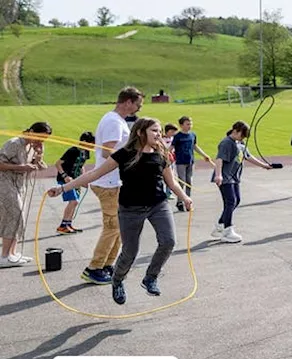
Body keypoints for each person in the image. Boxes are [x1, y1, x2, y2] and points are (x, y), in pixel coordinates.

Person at [51, 118, 193, 304]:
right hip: (131, 208)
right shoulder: (125, 154)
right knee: (130, 251)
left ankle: (150, 277)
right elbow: (94, 173)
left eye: (159, 131)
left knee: (168, 242)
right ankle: (117, 281)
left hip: (158, 205)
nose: (159, 135)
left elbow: (172, 182)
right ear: (141, 132)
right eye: (155, 131)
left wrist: (185, 198)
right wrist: (63, 188)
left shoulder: (161, 153)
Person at [83, 87, 144, 285]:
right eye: (138, 104)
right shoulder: (113, 122)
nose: (139, 108)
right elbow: (107, 152)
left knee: (119, 227)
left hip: (114, 181)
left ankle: (108, 264)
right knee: (112, 227)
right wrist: (132, 162)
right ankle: (93, 268)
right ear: (128, 102)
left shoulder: (118, 121)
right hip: (107, 182)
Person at [211, 120, 274, 242]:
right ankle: (227, 231)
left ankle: (220, 225)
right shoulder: (226, 143)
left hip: (234, 177)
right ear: (235, 131)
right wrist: (218, 175)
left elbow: (248, 156)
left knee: (236, 200)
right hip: (225, 177)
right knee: (230, 201)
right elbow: (219, 159)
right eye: (242, 135)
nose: (243, 138)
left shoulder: (239, 143)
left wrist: (264, 165)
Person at [0, 123, 49, 267]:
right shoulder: (14, 143)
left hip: (19, 184)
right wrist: (20, 168)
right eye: (40, 138)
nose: (41, 142)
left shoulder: (32, 147)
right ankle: (4, 256)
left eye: (44, 140)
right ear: (32, 131)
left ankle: (12, 254)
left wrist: (39, 154)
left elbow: (37, 164)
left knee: (17, 217)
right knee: (16, 214)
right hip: (4, 182)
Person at [54, 131, 94, 234]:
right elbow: (58, 164)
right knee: (73, 201)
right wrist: (65, 176)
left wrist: (83, 178)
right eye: (92, 143)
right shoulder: (73, 151)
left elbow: (81, 166)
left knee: (75, 202)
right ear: (84, 141)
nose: (93, 146)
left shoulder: (86, 152)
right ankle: (62, 226)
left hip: (76, 180)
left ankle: (68, 224)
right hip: (66, 180)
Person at [171, 116, 211, 214]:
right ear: (181, 125)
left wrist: (204, 155)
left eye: (190, 124)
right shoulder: (178, 136)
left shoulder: (192, 135)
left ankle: (188, 202)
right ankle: (180, 201)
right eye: (187, 124)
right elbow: (171, 147)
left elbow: (195, 146)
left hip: (190, 161)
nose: (190, 126)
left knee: (189, 182)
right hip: (181, 162)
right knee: (182, 181)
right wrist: (166, 157)